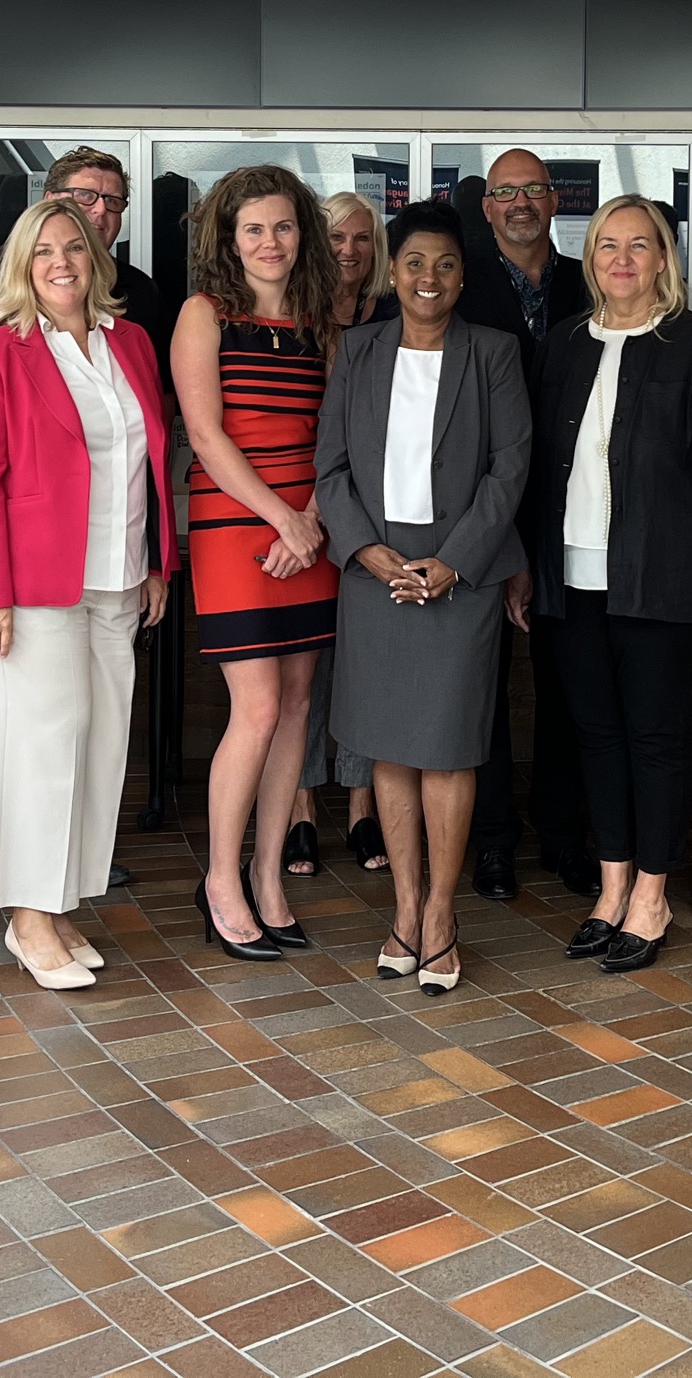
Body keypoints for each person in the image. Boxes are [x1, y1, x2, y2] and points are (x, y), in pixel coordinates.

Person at [0, 146, 170, 928]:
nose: (62, 263)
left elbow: (153, 459)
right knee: (36, 755)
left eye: (75, 249)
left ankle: (65, 904)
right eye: (45, 252)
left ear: (97, 259)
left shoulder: (129, 344)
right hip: (32, 589)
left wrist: (158, 561)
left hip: (118, 581)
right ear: (21, 267)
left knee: (97, 753)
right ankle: (30, 920)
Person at [528, 196, 692, 973]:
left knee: (656, 740)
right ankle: (611, 886)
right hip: (573, 578)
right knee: (595, 735)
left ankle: (653, 896)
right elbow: (537, 473)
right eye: (605, 247)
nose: (621, 260)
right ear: (590, 259)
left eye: (639, 246)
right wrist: (529, 570)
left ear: (664, 258)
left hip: (664, 580)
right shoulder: (563, 345)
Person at [318, 202, 531, 992]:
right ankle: (404, 910)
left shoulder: (494, 353)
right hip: (375, 580)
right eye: (413, 264)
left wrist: (455, 561)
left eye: (443, 264)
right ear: (391, 271)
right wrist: (367, 552)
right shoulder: (357, 349)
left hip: (458, 582)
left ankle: (442, 913)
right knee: (388, 749)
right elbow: (330, 465)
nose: (428, 278)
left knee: (447, 749)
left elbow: (511, 469)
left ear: (463, 274)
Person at [175, 164, 342, 959]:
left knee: (300, 707)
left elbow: (337, 438)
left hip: (311, 530)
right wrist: (283, 518)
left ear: (300, 233)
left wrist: (310, 521)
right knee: (261, 707)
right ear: (228, 239)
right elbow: (206, 437)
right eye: (253, 229)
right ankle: (219, 880)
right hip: (236, 527)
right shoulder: (204, 314)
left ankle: (270, 877)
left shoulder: (321, 320)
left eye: (281, 226)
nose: (269, 242)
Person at [456, 148, 594, 900]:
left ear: (553, 199)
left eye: (532, 190)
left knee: (566, 684)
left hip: (577, 512)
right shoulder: (463, 288)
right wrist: (499, 541)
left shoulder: (587, 281)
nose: (519, 203)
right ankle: (494, 840)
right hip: (479, 514)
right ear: (487, 207)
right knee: (482, 688)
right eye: (504, 191)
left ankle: (565, 834)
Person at [292, 188, 392, 878]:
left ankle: (361, 806)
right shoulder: (291, 318)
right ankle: (299, 806)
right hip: (297, 511)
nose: (349, 251)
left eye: (361, 239)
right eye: (335, 239)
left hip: (370, 513)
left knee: (363, 664)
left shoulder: (392, 317)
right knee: (303, 669)